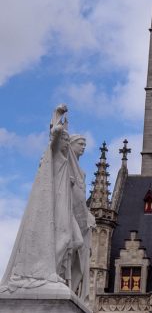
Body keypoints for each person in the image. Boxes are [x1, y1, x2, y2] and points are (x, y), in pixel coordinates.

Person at [0, 104, 93, 304]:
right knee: (67, 237)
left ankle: (57, 272)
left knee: (75, 241)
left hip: (66, 208)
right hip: (56, 206)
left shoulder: (74, 168)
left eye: (75, 142)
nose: (80, 147)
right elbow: (56, 137)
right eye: (78, 143)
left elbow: (78, 199)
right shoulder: (56, 156)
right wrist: (57, 119)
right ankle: (49, 271)